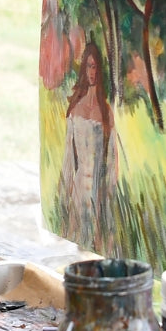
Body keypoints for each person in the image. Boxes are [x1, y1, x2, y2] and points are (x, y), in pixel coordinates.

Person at [57, 40, 117, 252]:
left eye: (95, 67)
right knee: (77, 244)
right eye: (88, 66)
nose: (92, 72)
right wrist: (65, 190)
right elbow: (68, 159)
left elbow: (111, 160)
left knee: (97, 245)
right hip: (79, 190)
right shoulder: (76, 108)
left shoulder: (106, 111)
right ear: (84, 69)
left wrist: (109, 193)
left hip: (99, 192)